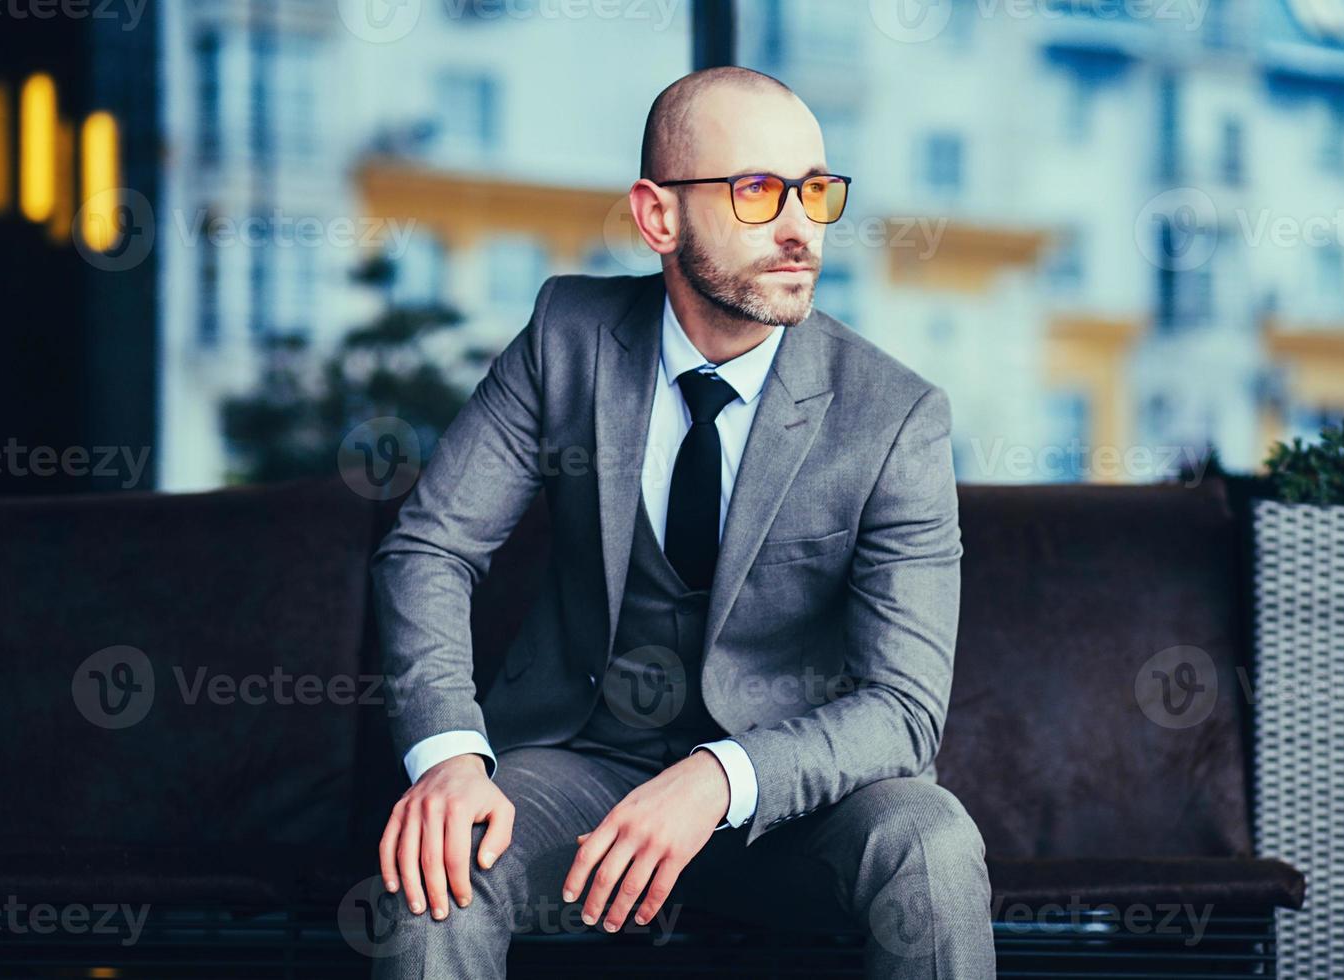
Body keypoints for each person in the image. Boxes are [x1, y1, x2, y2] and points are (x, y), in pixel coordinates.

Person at [370, 65, 995, 980]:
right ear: (658, 217)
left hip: (794, 807)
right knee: (438, 866)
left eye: (815, 192)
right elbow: (431, 547)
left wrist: (720, 777)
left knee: (930, 841)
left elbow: (901, 713)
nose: (800, 229)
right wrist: (453, 756)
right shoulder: (567, 339)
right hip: (585, 771)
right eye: (756, 193)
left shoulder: (894, 415)